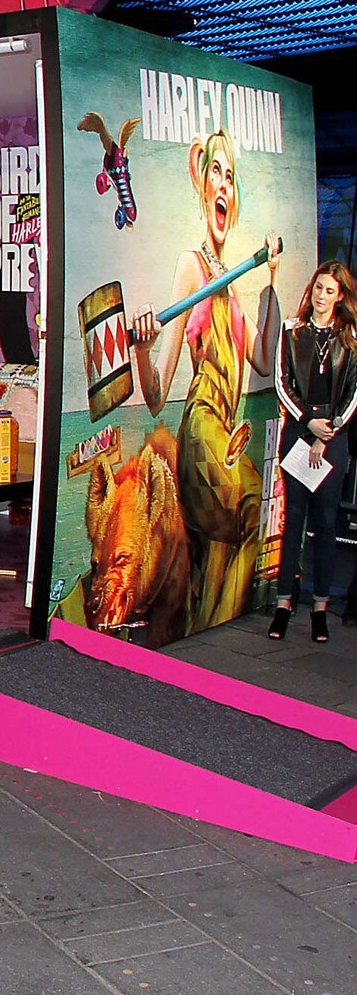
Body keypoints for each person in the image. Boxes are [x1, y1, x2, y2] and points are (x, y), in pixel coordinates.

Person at [129, 129, 281, 630]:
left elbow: (264, 359)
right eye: (216, 170)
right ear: (200, 179)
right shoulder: (191, 267)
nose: (223, 184)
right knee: (251, 508)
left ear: (234, 198)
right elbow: (156, 398)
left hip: (226, 436)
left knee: (219, 554)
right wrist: (142, 348)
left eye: (231, 176)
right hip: (201, 431)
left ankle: (206, 623)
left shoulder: (232, 285)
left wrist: (272, 283)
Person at [270, 261, 357, 640]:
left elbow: (354, 394)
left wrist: (328, 432)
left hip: (333, 439)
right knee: (294, 521)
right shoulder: (292, 330)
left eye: (329, 291)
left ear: (340, 297)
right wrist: (308, 422)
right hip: (298, 431)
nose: (321, 296)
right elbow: (281, 382)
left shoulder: (350, 337)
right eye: (318, 288)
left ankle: (320, 608)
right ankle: (283, 604)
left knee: (325, 523)